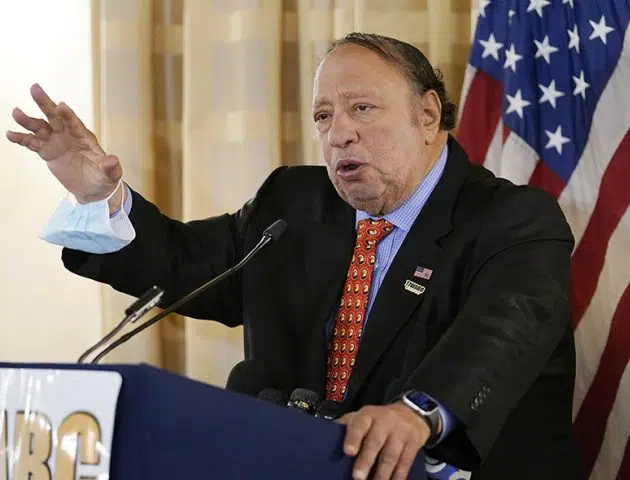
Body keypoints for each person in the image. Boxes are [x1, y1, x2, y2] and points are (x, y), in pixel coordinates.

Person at [6, 33, 583, 479]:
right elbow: (180, 263)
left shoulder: (513, 219)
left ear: (427, 115)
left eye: (362, 109)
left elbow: (503, 333)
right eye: (323, 116)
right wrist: (97, 196)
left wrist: (417, 412)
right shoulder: (293, 203)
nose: (338, 134)